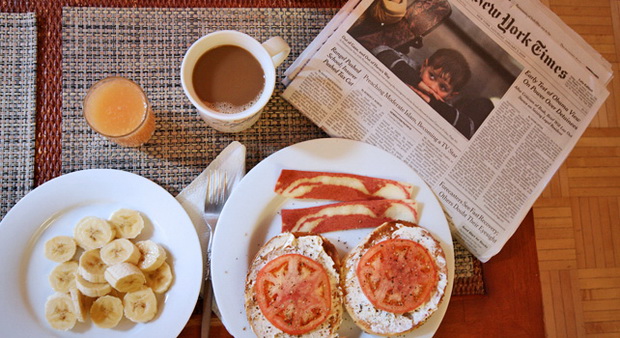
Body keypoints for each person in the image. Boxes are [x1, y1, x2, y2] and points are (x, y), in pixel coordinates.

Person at [374, 46, 478, 139]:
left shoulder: (443, 106)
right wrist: (417, 82)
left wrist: (432, 103)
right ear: (424, 66)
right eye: (431, 76)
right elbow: (381, 50)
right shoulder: (411, 67)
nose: (431, 87)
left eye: (443, 87)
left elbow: (470, 129)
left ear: (450, 95)